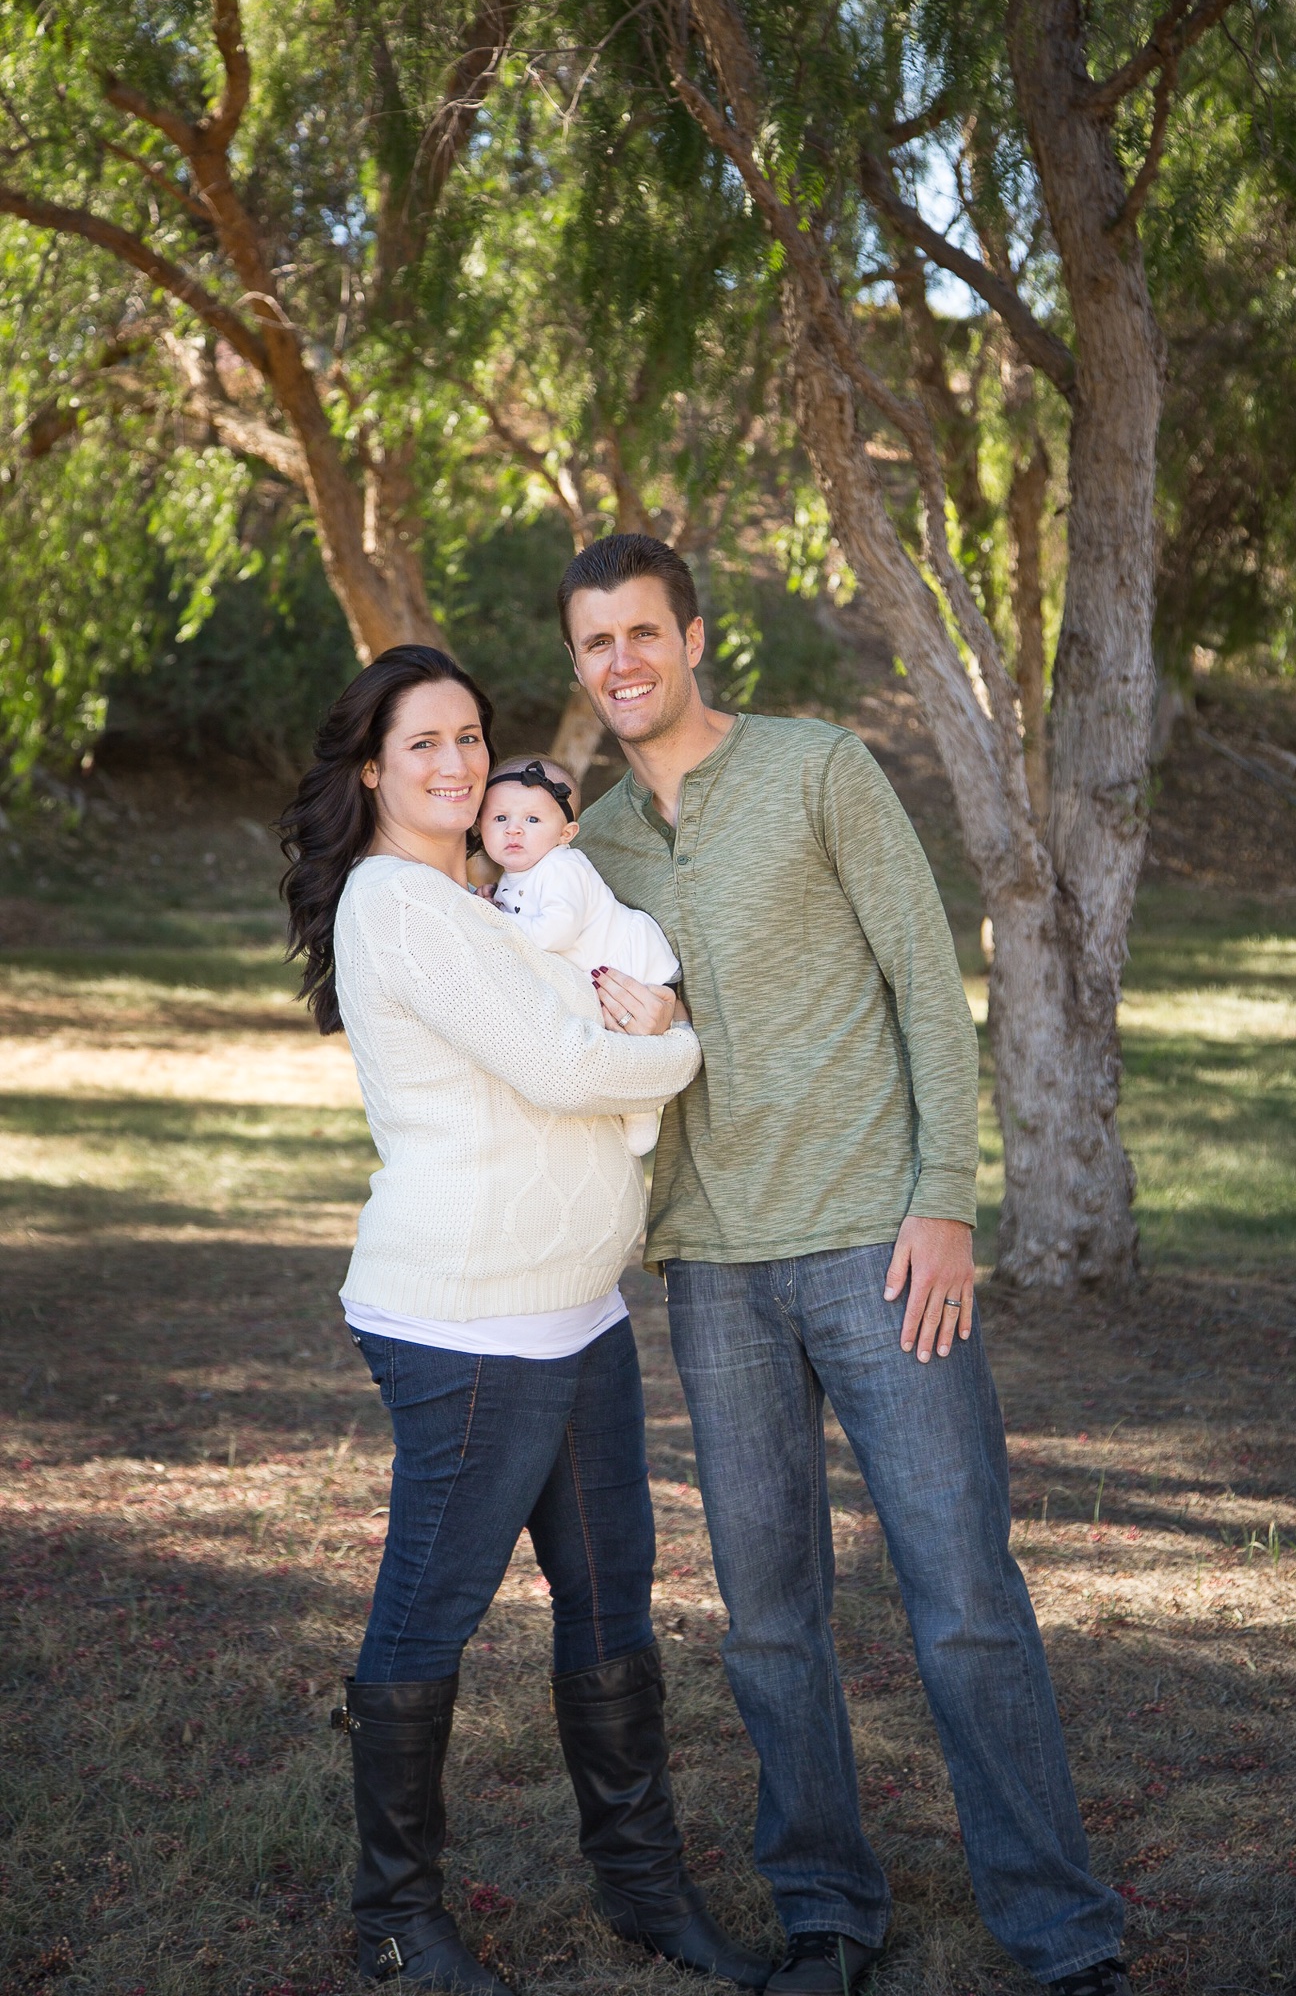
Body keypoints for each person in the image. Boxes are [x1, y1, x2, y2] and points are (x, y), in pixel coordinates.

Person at [565, 535, 1132, 1996]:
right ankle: (824, 1909)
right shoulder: (590, 851)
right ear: (578, 664)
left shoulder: (818, 768)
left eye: (642, 632)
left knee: (964, 1600)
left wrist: (945, 1204)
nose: (622, 661)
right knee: (767, 1622)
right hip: (714, 1272)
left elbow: (925, 990)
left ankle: (1059, 1931)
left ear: (694, 636)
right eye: (595, 642)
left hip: (881, 1250)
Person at [278, 645, 769, 1995]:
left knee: (609, 1605)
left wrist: (638, 1025)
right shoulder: (397, 903)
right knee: (429, 1613)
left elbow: (583, 1021)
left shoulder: (487, 896)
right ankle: (394, 1916)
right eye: (421, 742)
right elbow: (565, 1064)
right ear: (370, 768)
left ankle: (642, 1884)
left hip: (576, 1313)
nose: (454, 763)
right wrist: (677, 1043)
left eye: (468, 737)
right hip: (467, 1323)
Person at [478, 753, 680, 1154]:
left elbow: (557, 929)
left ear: (565, 833)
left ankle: (642, 1108)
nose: (514, 829)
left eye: (532, 819)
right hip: (595, 972)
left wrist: (496, 923)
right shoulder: (516, 874)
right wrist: (492, 904)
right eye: (500, 818)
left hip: (629, 963)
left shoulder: (562, 866)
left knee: (632, 1038)